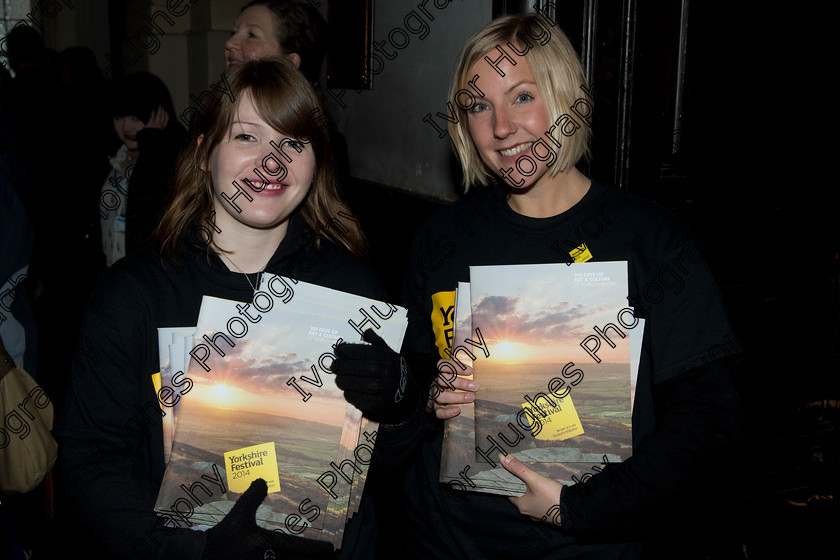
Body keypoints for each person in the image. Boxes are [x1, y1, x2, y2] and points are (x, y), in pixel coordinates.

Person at [399, 13, 744, 558]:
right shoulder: (443, 238)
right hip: (448, 541)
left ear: (563, 96)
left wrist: (581, 507)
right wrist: (428, 394)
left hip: (592, 544)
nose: (501, 128)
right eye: (478, 105)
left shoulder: (650, 239)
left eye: (521, 97)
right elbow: (412, 377)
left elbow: (709, 417)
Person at [55, 58, 420, 559]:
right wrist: (192, 551)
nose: (272, 163)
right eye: (246, 137)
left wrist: (399, 407)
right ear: (205, 152)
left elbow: (380, 467)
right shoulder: (134, 294)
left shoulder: (353, 286)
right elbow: (90, 458)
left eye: (293, 142)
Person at [224, 0, 349, 185]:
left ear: (290, 63)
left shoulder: (326, 147)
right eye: (234, 32)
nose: (230, 43)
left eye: (251, 35)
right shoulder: (208, 123)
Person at [101, 72, 188, 266]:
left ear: (160, 113)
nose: (126, 127)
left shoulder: (172, 159)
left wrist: (153, 141)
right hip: (112, 273)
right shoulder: (115, 157)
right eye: (118, 117)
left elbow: (152, 212)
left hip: (145, 273)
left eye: (135, 116)